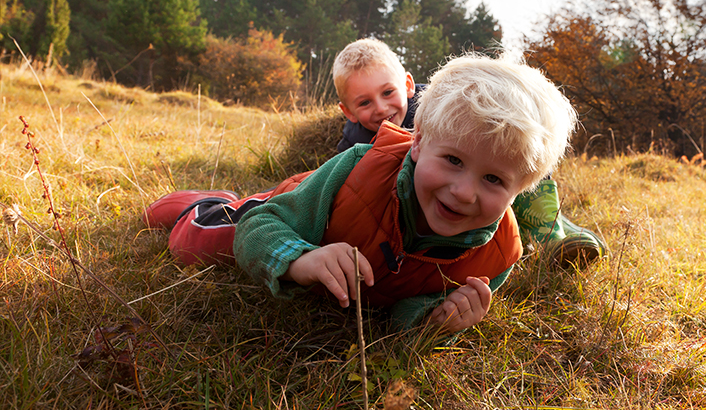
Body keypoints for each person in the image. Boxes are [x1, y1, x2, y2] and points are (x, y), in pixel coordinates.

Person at [145, 52, 577, 332]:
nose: (463, 192)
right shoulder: (357, 165)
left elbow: (405, 310)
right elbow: (261, 227)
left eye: (494, 180)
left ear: (522, 189)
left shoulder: (497, 256)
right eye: (453, 161)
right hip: (308, 207)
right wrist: (299, 258)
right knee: (197, 242)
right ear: (419, 141)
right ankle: (208, 201)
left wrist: (437, 321)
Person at [331, 38, 606, 264]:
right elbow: (347, 182)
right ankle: (556, 232)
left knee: (508, 170)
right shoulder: (355, 142)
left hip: (488, 177)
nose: (380, 108)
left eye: (388, 93)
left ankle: (555, 235)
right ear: (348, 112)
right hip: (443, 193)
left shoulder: (443, 105)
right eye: (365, 102)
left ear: (408, 85)